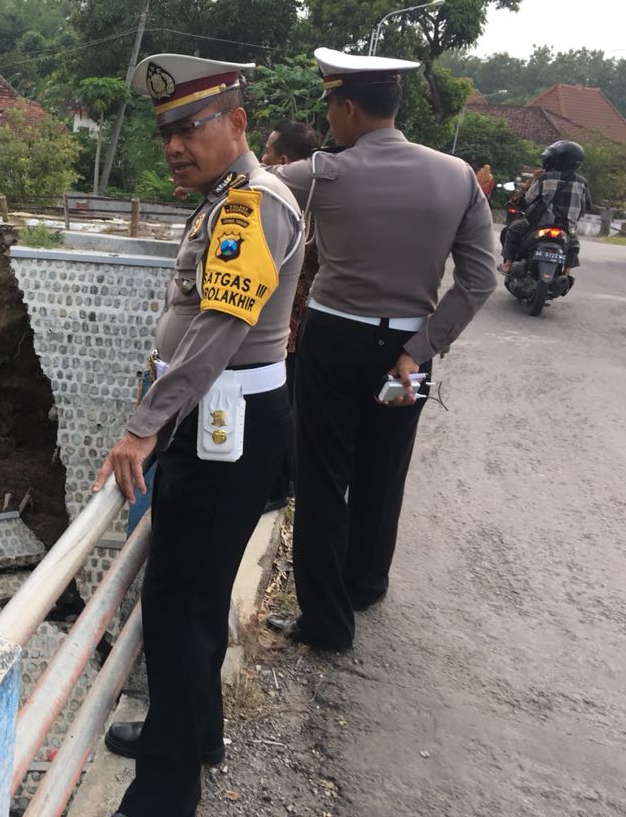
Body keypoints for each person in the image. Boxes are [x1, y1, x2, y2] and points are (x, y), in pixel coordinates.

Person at [93, 54, 304, 817]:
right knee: (196, 595)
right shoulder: (226, 199)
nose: (175, 145)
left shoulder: (252, 203)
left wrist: (144, 427)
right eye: (165, 134)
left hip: (224, 426)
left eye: (191, 126)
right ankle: (192, 735)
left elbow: (217, 328)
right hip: (218, 421)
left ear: (237, 123)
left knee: (179, 605)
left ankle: (163, 795)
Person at [264, 48, 496, 652]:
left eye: (331, 107)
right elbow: (478, 280)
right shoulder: (458, 175)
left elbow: (250, 188)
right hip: (410, 351)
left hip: (335, 339)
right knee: (384, 472)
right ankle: (365, 584)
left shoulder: (324, 172)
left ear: (345, 107)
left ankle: (325, 622)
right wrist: (420, 350)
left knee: (322, 478)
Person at [261, 121, 322, 512]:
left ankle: (278, 485)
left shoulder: (284, 202)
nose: (261, 156)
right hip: (303, 322)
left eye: (267, 150)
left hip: (290, 325)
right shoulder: (323, 195)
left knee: (282, 408)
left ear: (283, 160)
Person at [499, 140, 591, 273]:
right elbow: (585, 207)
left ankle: (508, 265)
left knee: (512, 230)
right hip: (567, 228)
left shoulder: (545, 177)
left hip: (540, 225)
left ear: (556, 160)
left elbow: (528, 198)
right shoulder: (582, 182)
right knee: (573, 244)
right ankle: (567, 271)